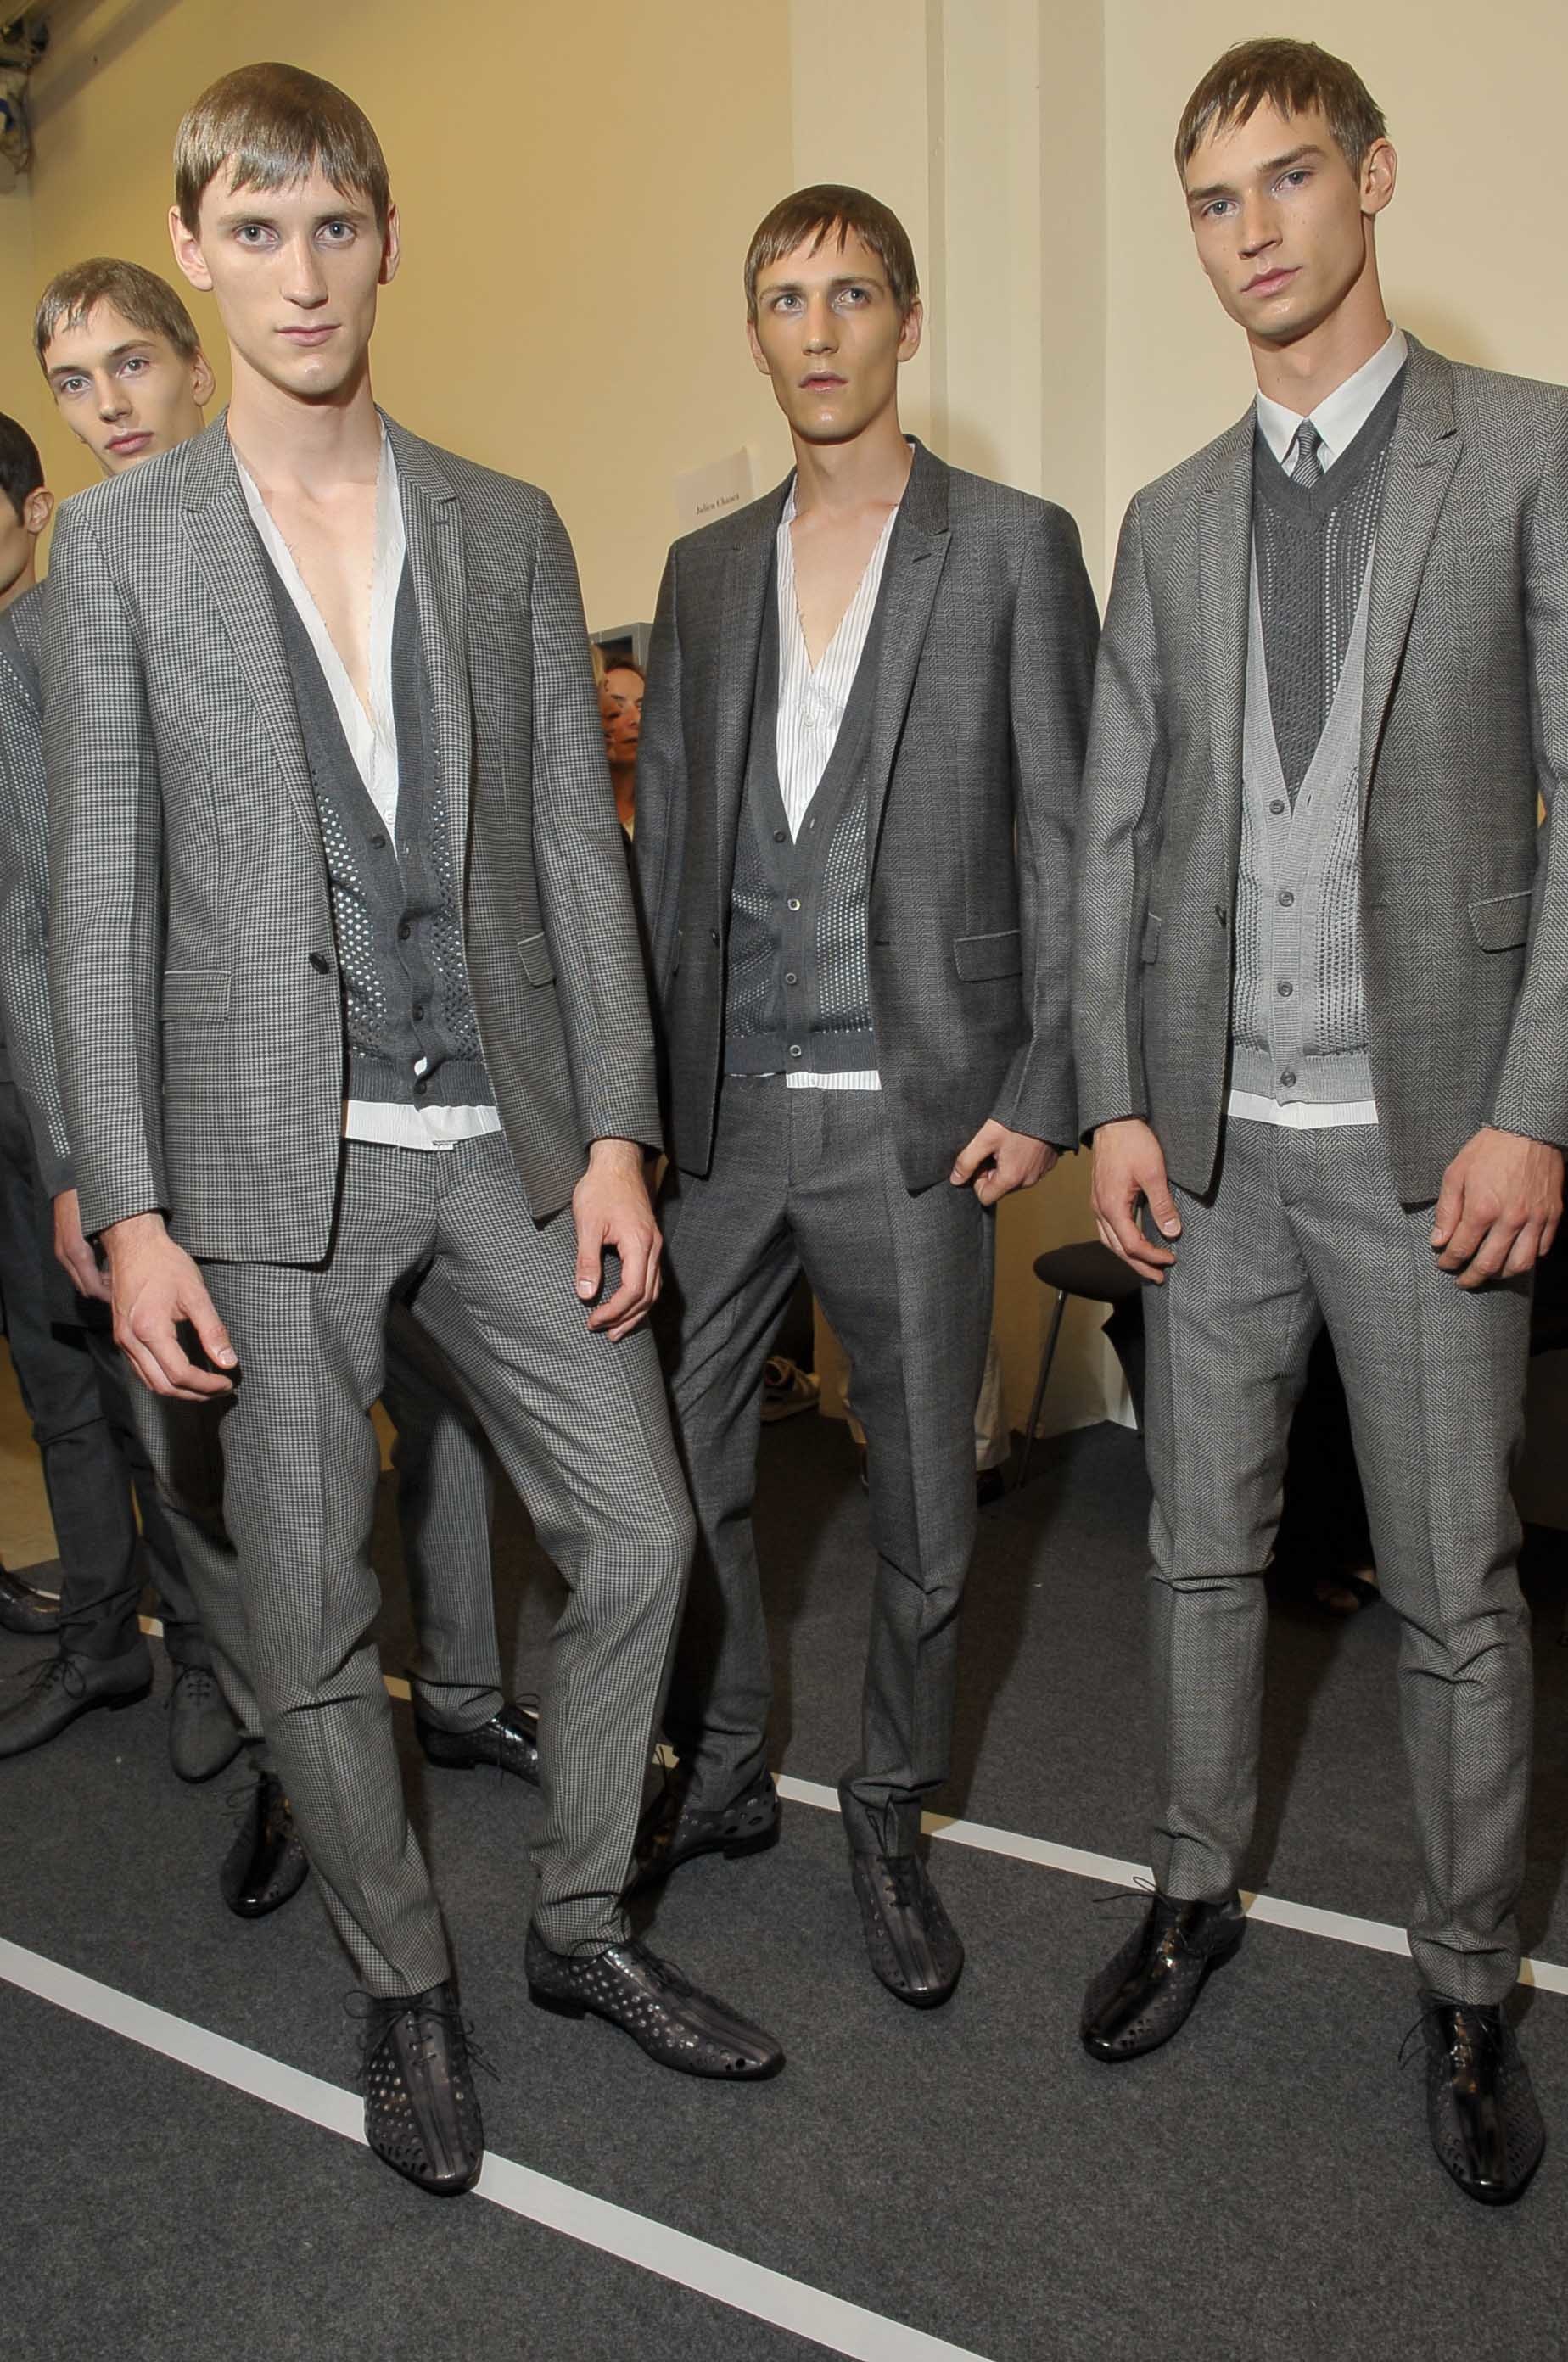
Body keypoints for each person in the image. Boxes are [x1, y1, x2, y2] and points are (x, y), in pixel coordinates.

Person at [46, 64, 780, 2199]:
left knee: (641, 1536)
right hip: (261, 1170)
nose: (299, 275)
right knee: (309, 1609)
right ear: (195, 251)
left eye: (334, 227)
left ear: (387, 239)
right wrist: (136, 1208)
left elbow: (571, 855)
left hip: (500, 1138)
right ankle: (403, 1979)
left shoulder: (502, 522)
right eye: (255, 232)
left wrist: (618, 1134)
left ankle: (578, 1921)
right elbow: (98, 906)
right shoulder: (119, 553)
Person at [1072, 37, 1564, 2206]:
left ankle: (1467, 1986)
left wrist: (1535, 1108)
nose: (1252, 227)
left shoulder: (1528, 450)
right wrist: (1114, 1095)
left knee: (1455, 1590)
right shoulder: (1169, 518)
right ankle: (1194, 1883)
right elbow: (1116, 840)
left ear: (1373, 177)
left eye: (1287, 177)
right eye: (1214, 197)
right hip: (1213, 1149)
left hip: (1433, 1143)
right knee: (1198, 1551)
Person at [0, 262, 542, 1878]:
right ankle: (292, 1742)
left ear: (198, 361)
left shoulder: (325, 533)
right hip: (183, 1118)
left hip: (387, 1088)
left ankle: (459, 1692)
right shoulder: (61, 608)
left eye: (128, 366)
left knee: (446, 1412)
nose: (105, 406)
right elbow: (48, 924)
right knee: (229, 1457)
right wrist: (91, 1162)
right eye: (72, 381)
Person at [634, 185, 1097, 2005]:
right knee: (670, 1477)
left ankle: (890, 1803)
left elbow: (1072, 843)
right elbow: (667, 859)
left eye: (849, 294)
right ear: (753, 332)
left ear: (908, 319)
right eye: (782, 298)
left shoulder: (1013, 548)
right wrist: (632, 1114)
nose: (816, 329)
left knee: (921, 1501)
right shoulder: (702, 572)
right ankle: (725, 1760)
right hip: (723, 1117)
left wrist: (1048, 1082)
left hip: (920, 1117)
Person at [596, 653, 643, 836]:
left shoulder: (668, 810)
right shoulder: (579, 808)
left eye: (642, 706)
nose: (636, 719)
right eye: (618, 704)